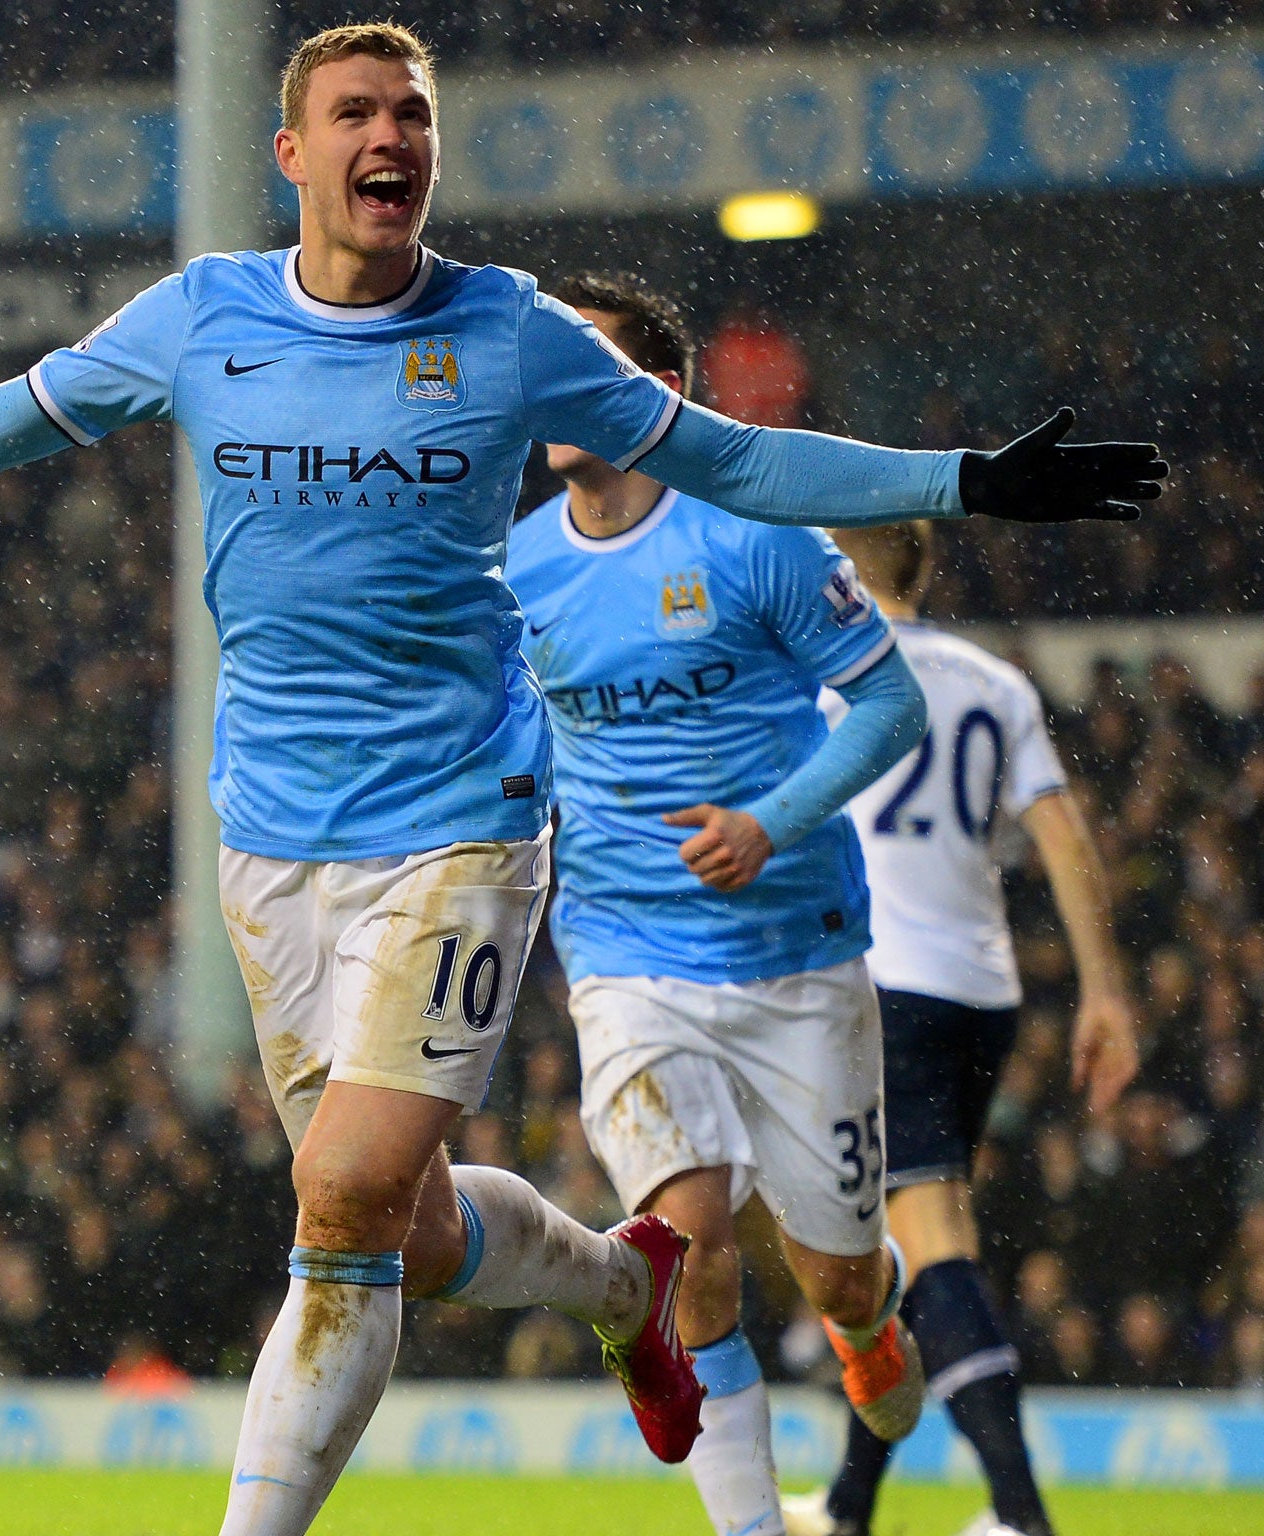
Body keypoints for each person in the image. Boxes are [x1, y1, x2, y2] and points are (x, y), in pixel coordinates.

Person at [0, 26, 1163, 1536]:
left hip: (460, 823)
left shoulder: (512, 329)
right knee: (402, 1228)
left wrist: (962, 480)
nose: (391, 137)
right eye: (357, 116)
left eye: (414, 118)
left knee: (337, 1197)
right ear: (291, 154)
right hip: (270, 836)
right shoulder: (201, 319)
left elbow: (730, 461)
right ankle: (618, 1289)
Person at [505, 274, 932, 1536]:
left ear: (662, 398)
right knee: (687, 1250)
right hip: (625, 952)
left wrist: (768, 824)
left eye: (587, 364)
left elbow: (892, 704)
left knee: (838, 1275)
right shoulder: (517, 570)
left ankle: (867, 1316)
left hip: (795, 950)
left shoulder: (755, 535)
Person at [783, 520, 1140, 1536]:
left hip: (880, 988)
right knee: (895, 1245)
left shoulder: (825, 678)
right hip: (979, 996)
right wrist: (1104, 990)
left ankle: (1018, 1513)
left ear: (843, 570)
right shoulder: (995, 683)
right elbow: (1060, 834)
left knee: (927, 1245)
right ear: (923, 565)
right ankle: (852, 1503)